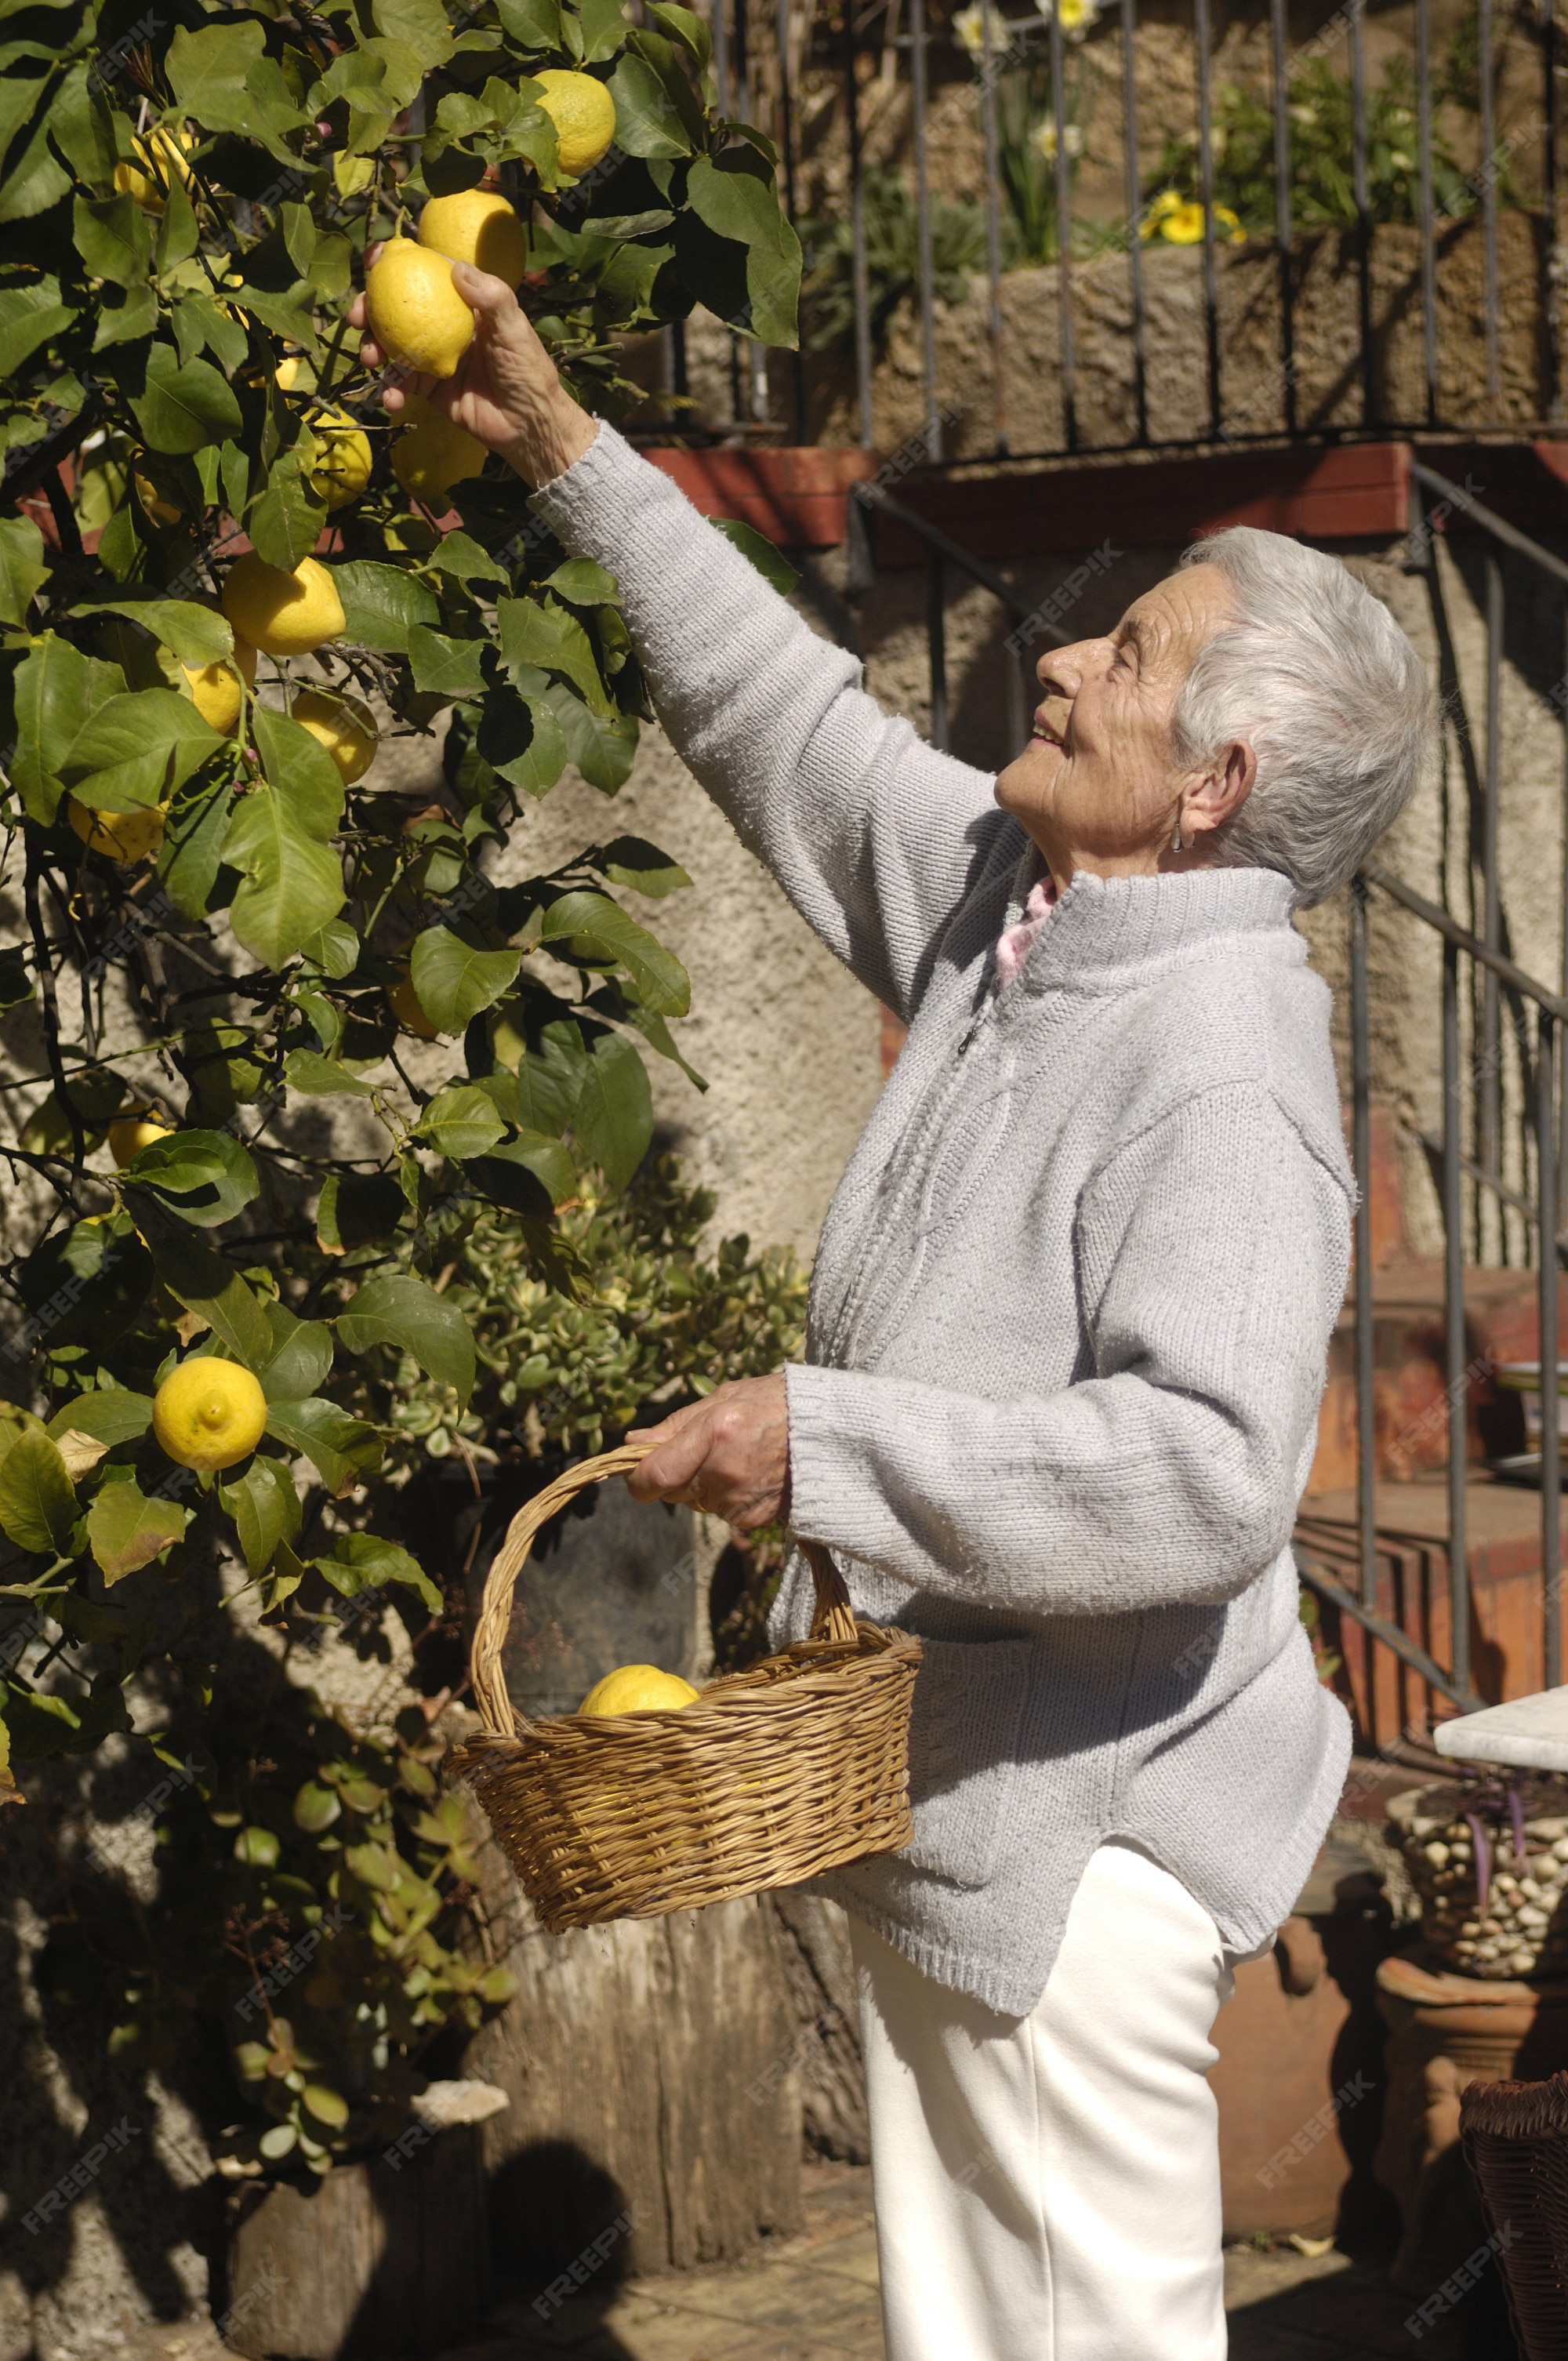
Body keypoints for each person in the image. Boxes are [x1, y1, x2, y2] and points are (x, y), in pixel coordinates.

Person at [352, 261, 1430, 2360]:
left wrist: (826, 1442)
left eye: (1130, 652)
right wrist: (569, 448)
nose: (1058, 655)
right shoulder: (1020, 918)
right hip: (971, 1814)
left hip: (1083, 1849)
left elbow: (1207, 1481)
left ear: (1211, 784)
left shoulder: (1215, 1049)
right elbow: (790, 724)